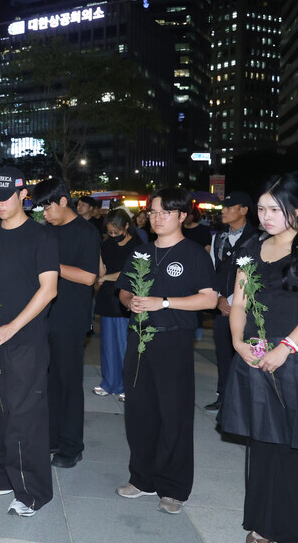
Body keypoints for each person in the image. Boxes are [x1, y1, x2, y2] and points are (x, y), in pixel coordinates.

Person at [218, 174, 298, 543]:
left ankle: (290, 530)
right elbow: (238, 302)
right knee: (262, 440)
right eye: (261, 209)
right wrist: (238, 342)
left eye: (275, 209)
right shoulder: (254, 246)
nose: (267, 216)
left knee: (294, 442)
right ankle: (261, 519)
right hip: (255, 351)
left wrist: (286, 347)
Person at [114, 187, 216, 515]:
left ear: (183, 216)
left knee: (174, 414)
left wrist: (164, 302)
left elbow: (209, 298)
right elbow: (124, 292)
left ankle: (172, 487)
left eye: (166, 212)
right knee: (139, 412)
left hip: (174, 340)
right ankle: (142, 478)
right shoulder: (141, 252)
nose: (158, 218)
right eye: (154, 212)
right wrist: (132, 302)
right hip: (139, 339)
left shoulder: (194, 254)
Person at [0, 167, 59, 517]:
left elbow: (48, 289)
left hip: (25, 341)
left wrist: (12, 327)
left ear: (23, 195)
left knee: (24, 415)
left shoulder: (42, 237)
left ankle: (31, 491)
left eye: (6, 198)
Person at [34, 177, 100, 469]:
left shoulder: (86, 232)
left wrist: (51, 266)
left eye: (47, 208)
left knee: (69, 381)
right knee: (47, 380)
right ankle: (51, 436)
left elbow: (88, 277)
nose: (44, 214)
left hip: (71, 317)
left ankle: (72, 445)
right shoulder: (46, 232)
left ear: (63, 201)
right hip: (43, 315)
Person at [204, 191, 257, 412]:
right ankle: (223, 396)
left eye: (229, 207)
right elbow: (211, 270)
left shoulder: (258, 238)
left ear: (243, 210)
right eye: (223, 207)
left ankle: (247, 400)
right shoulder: (219, 237)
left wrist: (233, 300)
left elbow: (257, 275)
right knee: (223, 354)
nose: (223, 211)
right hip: (222, 306)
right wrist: (217, 299)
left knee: (247, 354)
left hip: (247, 308)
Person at [93, 208, 142, 401]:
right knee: (108, 345)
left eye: (116, 232)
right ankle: (109, 382)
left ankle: (125, 385)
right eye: (110, 232)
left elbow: (129, 273)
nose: (113, 235)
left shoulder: (137, 246)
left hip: (125, 298)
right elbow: (101, 270)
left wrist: (105, 276)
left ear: (127, 226)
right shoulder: (107, 244)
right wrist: (97, 251)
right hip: (107, 297)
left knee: (124, 345)